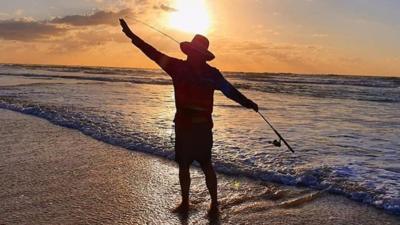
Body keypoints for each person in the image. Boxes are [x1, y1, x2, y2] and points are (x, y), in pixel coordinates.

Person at [119, 18, 258, 214]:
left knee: (206, 164)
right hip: (184, 126)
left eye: (197, 54)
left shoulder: (211, 74)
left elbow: (230, 91)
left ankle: (214, 204)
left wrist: (248, 103)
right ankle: (185, 202)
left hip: (202, 128)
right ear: (190, 52)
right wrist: (132, 36)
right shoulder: (178, 67)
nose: (194, 56)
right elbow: (152, 53)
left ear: (201, 56)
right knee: (184, 165)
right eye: (193, 53)